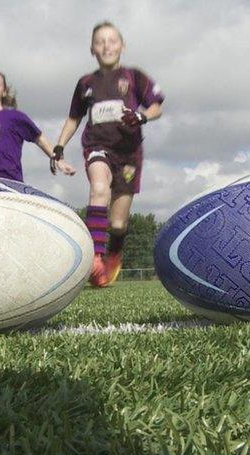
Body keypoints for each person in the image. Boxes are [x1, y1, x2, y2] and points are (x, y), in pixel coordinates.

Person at [51, 21, 164, 287]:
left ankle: (114, 250)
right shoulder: (85, 83)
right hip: (97, 146)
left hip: (129, 154)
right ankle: (94, 257)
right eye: (100, 41)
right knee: (99, 189)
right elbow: (73, 118)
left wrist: (141, 116)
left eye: (112, 40)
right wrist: (59, 147)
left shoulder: (135, 77)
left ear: (122, 46)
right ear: (92, 49)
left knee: (118, 223)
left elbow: (157, 106)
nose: (106, 46)